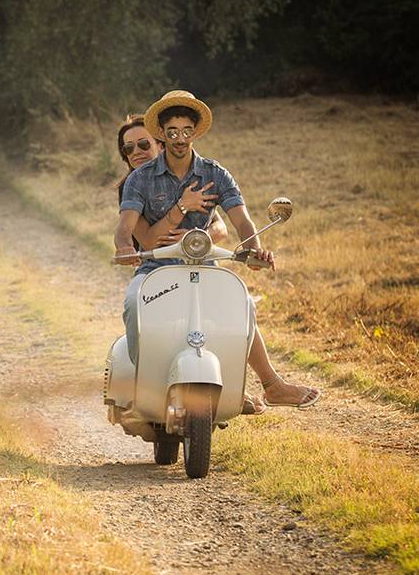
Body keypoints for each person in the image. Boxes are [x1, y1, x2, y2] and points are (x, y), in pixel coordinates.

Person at [113, 91, 320, 411]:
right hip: (157, 269)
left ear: (195, 133)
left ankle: (269, 385)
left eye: (186, 131)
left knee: (243, 306)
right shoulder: (140, 179)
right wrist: (125, 247)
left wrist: (256, 250)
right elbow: (127, 229)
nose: (179, 138)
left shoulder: (215, 174)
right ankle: (147, 384)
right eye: (172, 131)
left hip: (205, 267)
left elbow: (242, 220)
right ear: (162, 134)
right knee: (132, 305)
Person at [116, 113, 228, 251]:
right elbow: (148, 242)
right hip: (154, 264)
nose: (136, 152)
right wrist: (182, 207)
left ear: (161, 146)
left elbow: (220, 227)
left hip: (195, 259)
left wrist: (196, 237)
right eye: (128, 148)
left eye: (144, 145)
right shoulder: (129, 186)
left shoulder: (186, 176)